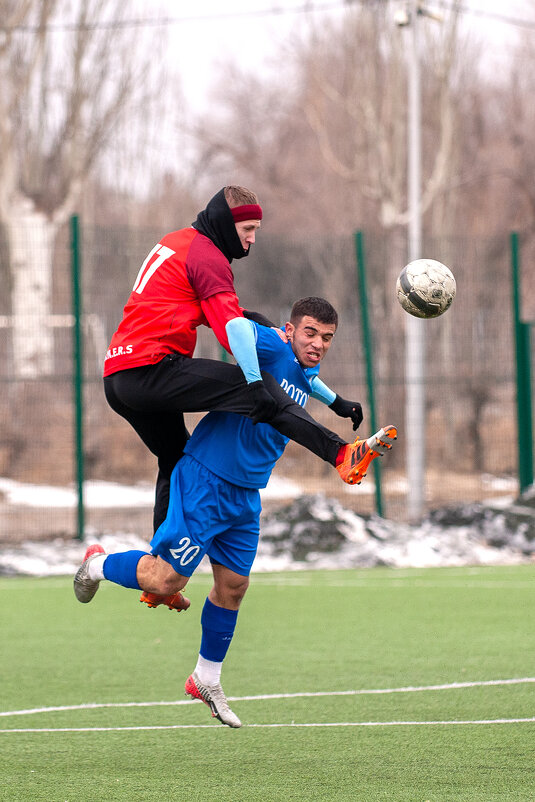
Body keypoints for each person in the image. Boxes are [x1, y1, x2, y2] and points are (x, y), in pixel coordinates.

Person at [76, 297, 397, 728]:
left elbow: (308, 382)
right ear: (289, 330)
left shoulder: (304, 367)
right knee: (166, 578)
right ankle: (95, 565)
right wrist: (252, 374)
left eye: (327, 338)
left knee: (234, 586)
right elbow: (242, 331)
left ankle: (205, 678)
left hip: (246, 495)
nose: (318, 343)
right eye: (310, 333)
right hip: (206, 479)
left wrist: (337, 401)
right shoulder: (272, 346)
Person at [103, 186, 371, 533]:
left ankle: (159, 571)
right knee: (266, 388)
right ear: (227, 225)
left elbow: (213, 309)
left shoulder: (180, 241)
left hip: (117, 376)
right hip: (151, 369)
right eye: (248, 230)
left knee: (175, 460)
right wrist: (256, 382)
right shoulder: (208, 256)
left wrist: (334, 401)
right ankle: (340, 454)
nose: (253, 239)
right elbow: (230, 331)